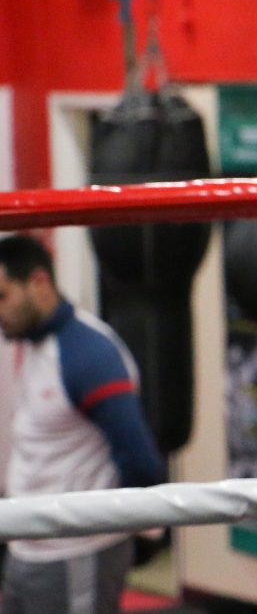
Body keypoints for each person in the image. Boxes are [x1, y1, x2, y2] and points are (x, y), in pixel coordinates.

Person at [0, 234, 167, 614]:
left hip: (76, 551)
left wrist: (145, 531)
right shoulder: (35, 343)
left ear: (39, 283)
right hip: (25, 546)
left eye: (2, 296)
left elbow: (140, 460)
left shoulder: (88, 356)